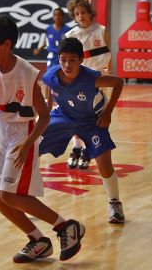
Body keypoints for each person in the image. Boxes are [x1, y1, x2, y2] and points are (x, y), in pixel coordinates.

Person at [0, 15, 85, 263]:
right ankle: (38, 240)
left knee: (8, 194)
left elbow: (43, 117)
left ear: (7, 44)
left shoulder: (27, 73)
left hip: (21, 134)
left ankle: (65, 226)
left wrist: (28, 143)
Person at [39, 37, 125, 224]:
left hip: (92, 121)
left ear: (81, 60)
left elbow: (119, 82)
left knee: (104, 164)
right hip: (64, 115)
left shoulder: (92, 78)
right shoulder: (51, 75)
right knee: (33, 143)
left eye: (72, 60)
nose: (67, 64)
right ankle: (24, 193)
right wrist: (47, 106)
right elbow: (47, 84)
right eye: (63, 59)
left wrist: (108, 113)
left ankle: (114, 202)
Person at [64, 0, 112, 170]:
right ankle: (76, 147)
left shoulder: (102, 30)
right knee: (76, 117)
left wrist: (109, 77)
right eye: (77, 14)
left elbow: (109, 56)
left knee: (94, 119)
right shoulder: (70, 35)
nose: (80, 16)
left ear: (90, 13)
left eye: (83, 12)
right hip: (78, 81)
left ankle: (87, 149)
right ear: (74, 16)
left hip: (99, 79)